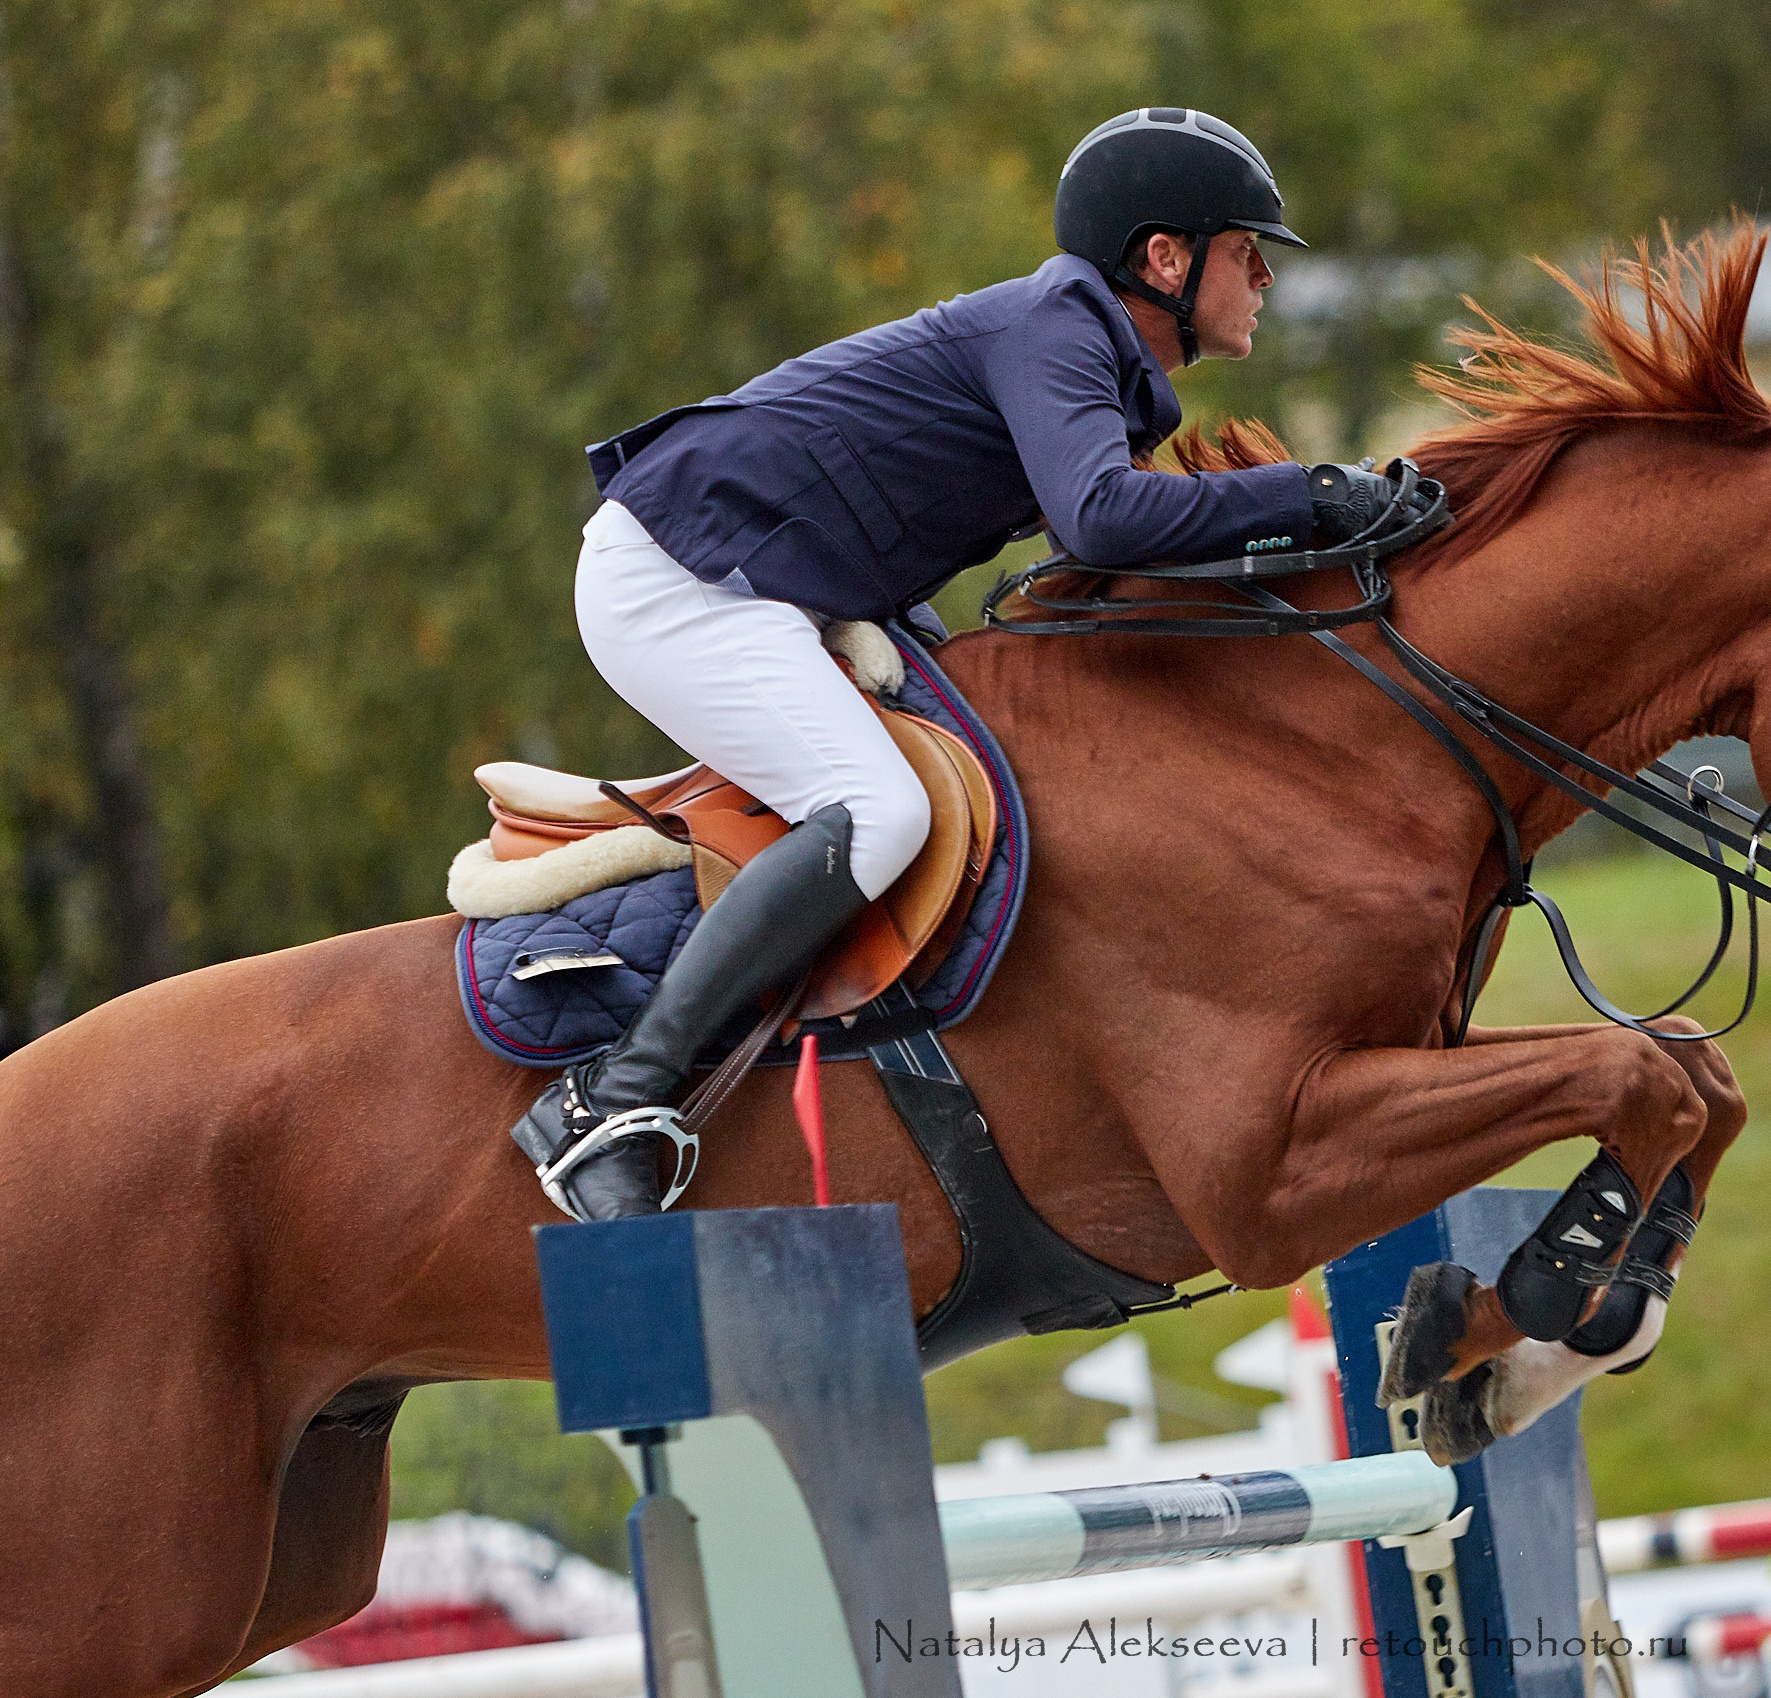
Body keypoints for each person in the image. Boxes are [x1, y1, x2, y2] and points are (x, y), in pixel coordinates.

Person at [515, 107, 1436, 1222]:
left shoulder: (1084, 345)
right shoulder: (1057, 326)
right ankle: (610, 1098)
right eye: (1247, 253)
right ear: (1165, 258)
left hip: (773, 579)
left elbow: (1103, 548)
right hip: (681, 577)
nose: (1266, 280)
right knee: (881, 812)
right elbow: (1102, 520)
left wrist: (1331, 528)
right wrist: (1313, 490)